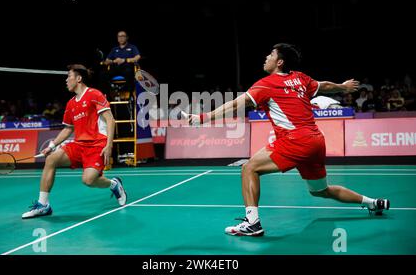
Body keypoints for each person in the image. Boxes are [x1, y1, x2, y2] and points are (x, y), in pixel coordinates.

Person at [187, 43, 390, 236]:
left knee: (249, 168)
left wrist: (202, 118)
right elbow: (325, 86)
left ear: (279, 62)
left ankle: (252, 223)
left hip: (295, 140)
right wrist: (343, 87)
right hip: (316, 140)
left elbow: (234, 105)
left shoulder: (265, 85)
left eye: (271, 55)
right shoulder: (300, 79)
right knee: (321, 191)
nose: (266, 57)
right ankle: (373, 203)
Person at [22, 64, 127, 219]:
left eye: (68, 76)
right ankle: (43, 205)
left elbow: (110, 120)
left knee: (89, 180)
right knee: (51, 159)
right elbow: (68, 129)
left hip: (97, 144)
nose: (66, 80)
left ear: (79, 78)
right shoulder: (71, 103)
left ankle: (114, 185)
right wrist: (52, 146)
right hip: (79, 145)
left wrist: (109, 145)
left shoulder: (94, 94)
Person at [100, 30, 141, 98]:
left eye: (123, 36)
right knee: (103, 74)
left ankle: (125, 92)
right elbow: (107, 60)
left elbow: (138, 57)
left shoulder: (132, 47)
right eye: (119, 36)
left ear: (127, 37)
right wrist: (113, 61)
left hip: (127, 68)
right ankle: (108, 94)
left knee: (129, 73)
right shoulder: (114, 49)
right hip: (116, 68)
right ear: (117, 38)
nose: (121, 38)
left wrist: (124, 60)